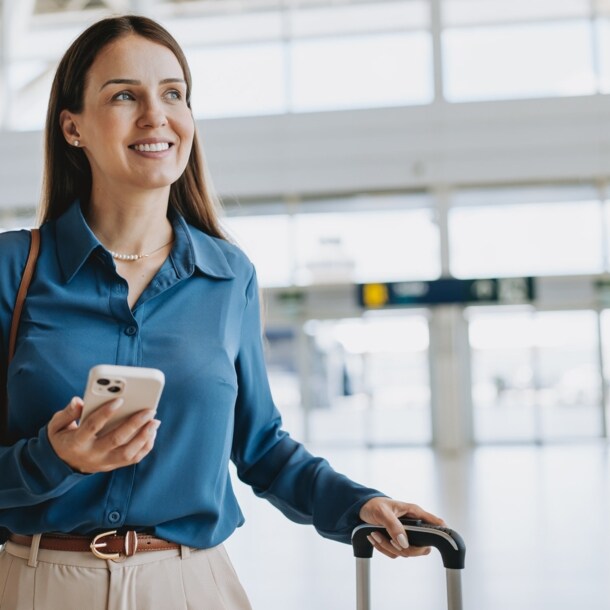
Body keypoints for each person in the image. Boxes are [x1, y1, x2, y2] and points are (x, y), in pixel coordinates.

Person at [0, 15, 444, 610]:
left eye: (174, 93)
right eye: (125, 94)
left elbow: (261, 447)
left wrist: (358, 504)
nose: (156, 115)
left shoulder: (229, 276)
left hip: (191, 586)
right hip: (39, 585)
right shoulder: (13, 268)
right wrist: (54, 460)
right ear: (72, 127)